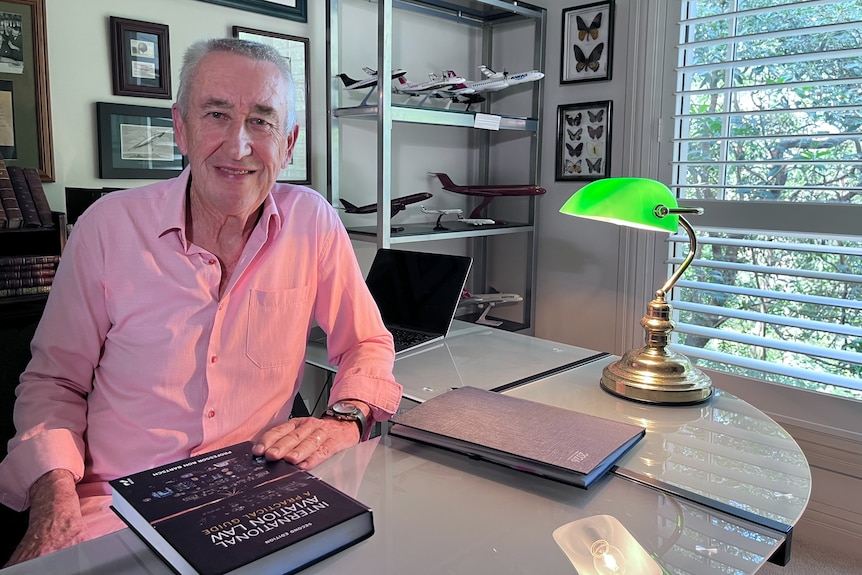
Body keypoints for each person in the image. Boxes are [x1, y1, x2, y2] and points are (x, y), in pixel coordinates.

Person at [0, 38, 402, 565]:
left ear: (289, 141)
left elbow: (368, 342)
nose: (238, 146)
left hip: (259, 493)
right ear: (181, 129)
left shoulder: (313, 222)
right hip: (119, 506)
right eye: (217, 114)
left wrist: (344, 418)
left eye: (262, 121)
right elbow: (55, 381)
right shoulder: (107, 228)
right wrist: (52, 501)